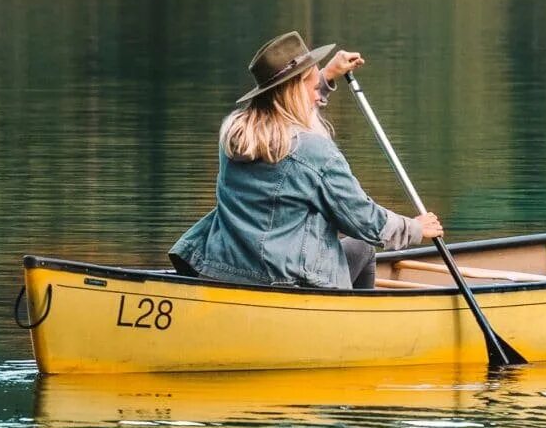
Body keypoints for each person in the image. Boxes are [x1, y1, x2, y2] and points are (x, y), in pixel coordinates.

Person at [170, 32, 441, 290]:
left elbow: (284, 106)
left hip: (225, 271)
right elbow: (364, 221)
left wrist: (326, 76)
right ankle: (356, 326)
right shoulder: (314, 151)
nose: (317, 97)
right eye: (312, 88)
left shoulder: (235, 133)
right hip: (288, 281)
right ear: (293, 92)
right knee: (364, 245)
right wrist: (415, 228)